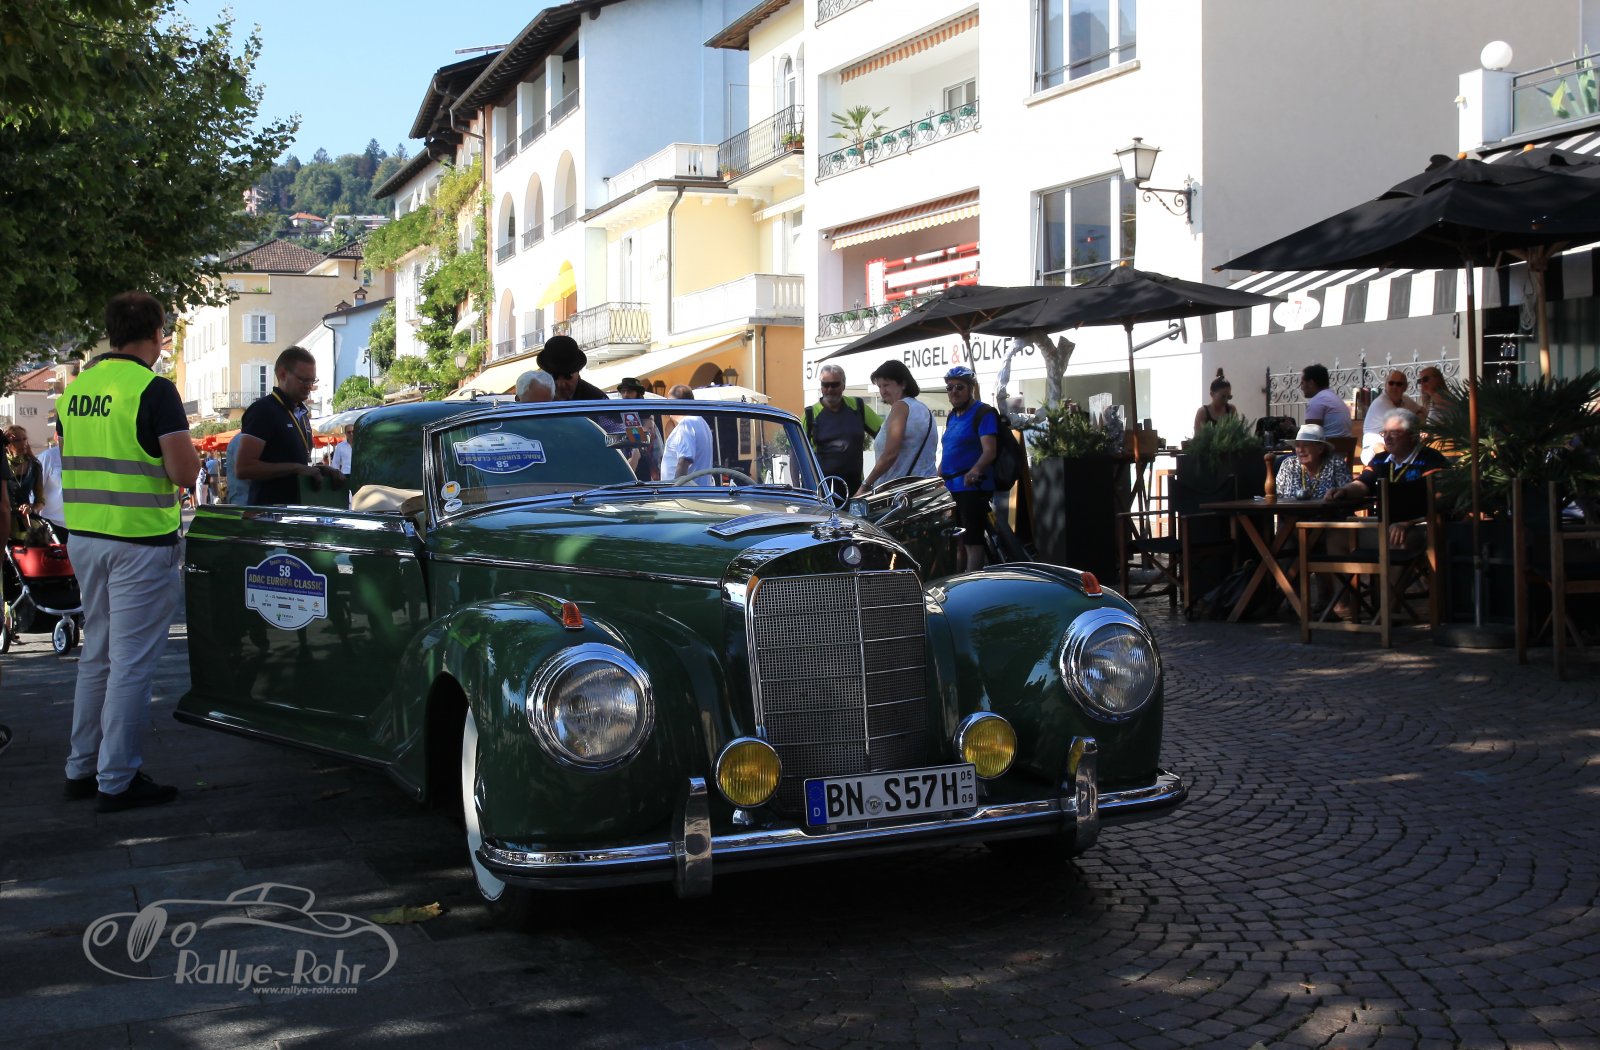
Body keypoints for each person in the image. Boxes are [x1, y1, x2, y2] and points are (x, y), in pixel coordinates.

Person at [61, 291, 199, 812]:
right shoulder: (154, 389)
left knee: (96, 655)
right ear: (158, 335)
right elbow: (183, 472)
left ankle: (81, 767)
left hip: (85, 537)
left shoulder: (77, 390)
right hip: (139, 543)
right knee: (131, 665)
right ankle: (116, 779)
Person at [234, 346, 342, 505]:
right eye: (304, 380)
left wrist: (318, 470)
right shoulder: (263, 410)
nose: (309, 386)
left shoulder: (302, 414)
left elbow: (294, 464)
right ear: (282, 375)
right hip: (268, 513)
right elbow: (243, 468)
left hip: (296, 509)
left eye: (312, 380)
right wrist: (296, 468)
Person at [1330, 408, 1449, 548]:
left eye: (1394, 433)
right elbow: (1362, 484)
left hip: (1421, 524)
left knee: (1396, 539)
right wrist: (1343, 491)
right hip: (1385, 523)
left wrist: (1407, 522)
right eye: (1384, 433)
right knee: (1336, 536)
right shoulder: (1381, 459)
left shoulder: (1430, 459)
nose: (1387, 438)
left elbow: (1439, 497)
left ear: (1412, 435)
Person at [938, 366, 998, 572]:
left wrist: (975, 470)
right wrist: (936, 478)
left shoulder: (983, 413)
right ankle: (957, 583)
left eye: (959, 387)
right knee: (957, 542)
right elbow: (949, 451)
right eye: (949, 388)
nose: (954, 392)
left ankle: (973, 583)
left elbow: (989, 451)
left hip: (971, 487)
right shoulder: (952, 416)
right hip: (951, 488)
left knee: (973, 541)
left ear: (971, 388)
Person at [855, 360, 935, 494]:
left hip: (901, 494)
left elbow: (890, 454)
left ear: (903, 384)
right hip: (926, 489)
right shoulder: (924, 410)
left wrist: (865, 485)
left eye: (886, 385)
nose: (882, 391)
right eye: (879, 386)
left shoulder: (900, 407)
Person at [803, 364, 881, 493]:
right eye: (825, 385)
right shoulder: (810, 414)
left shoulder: (858, 407)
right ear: (821, 387)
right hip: (822, 490)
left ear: (843, 385)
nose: (829, 389)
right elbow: (795, 453)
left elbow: (885, 434)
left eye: (834, 385)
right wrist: (799, 488)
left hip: (856, 489)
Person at [1359, 370, 1425, 463]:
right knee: (1381, 446)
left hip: (1397, 445)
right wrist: (1418, 426)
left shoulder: (1405, 400)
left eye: (1399, 384)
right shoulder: (1381, 402)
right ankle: (1386, 469)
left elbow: (1422, 412)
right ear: (1386, 385)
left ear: (1405, 387)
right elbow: (1402, 424)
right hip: (1372, 450)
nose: (1394, 387)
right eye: (1391, 383)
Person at [1275, 424, 1352, 501]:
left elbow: (1347, 495)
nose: (1300, 450)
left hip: (1326, 509)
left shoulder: (1336, 464)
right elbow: (1276, 496)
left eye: (1306, 445)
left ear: (1320, 448)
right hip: (1291, 509)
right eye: (1297, 446)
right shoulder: (1289, 464)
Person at [661, 385, 713, 485]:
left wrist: (676, 490)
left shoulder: (687, 424)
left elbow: (684, 460)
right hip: (696, 490)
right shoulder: (702, 422)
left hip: (686, 493)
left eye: (669, 402)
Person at [616, 376, 663, 480]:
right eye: (623, 392)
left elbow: (637, 441)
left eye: (630, 392)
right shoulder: (617, 412)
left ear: (638, 394)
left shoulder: (644, 413)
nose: (625, 395)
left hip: (642, 467)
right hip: (624, 463)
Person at [538, 335, 609, 401]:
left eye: (567, 376)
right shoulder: (536, 398)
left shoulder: (596, 400)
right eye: (554, 377)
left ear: (578, 372)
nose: (561, 384)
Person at [34, 418, 67, 545]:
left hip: (80, 525)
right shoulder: (48, 457)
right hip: (53, 525)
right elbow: (35, 491)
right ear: (56, 436)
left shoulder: (84, 457)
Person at [5, 425, 40, 536]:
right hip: (4, 520)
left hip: (26, 521)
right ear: (7, 444)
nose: (23, 443)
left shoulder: (34, 465)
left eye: (24, 439)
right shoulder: (3, 465)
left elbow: (40, 500)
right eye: (17, 440)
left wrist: (31, 508)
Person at [1300, 363, 1352, 438]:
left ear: (1311, 383)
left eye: (1302, 383)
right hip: (1342, 444)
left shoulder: (1317, 401)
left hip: (1327, 444)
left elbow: (1310, 437)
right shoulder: (1336, 398)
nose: (1301, 387)